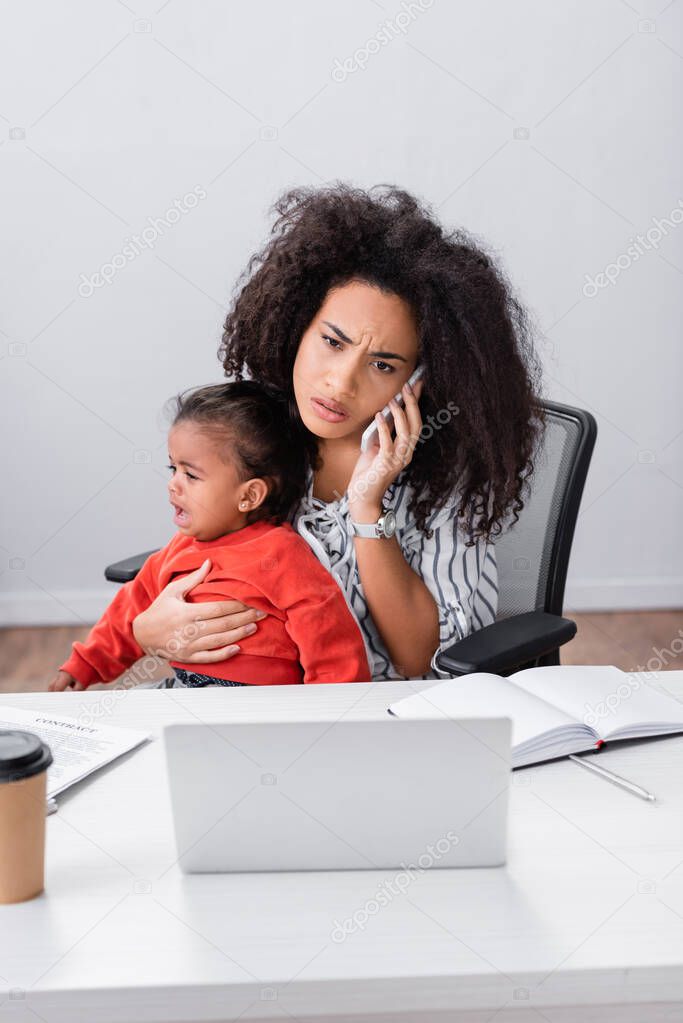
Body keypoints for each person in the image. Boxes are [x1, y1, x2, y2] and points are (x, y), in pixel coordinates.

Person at [131, 184, 544, 682]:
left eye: (383, 365)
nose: (341, 382)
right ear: (295, 325)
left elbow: (423, 662)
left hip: (366, 720)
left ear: (421, 381)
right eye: (332, 342)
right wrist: (145, 630)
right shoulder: (256, 437)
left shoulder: (444, 480)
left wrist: (368, 507)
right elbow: (195, 563)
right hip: (222, 698)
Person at [47, 381, 372, 691]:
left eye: (191, 474)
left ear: (249, 496)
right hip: (186, 687)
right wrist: (85, 664)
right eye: (173, 469)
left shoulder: (281, 553)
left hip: (264, 701)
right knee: (136, 707)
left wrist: (329, 710)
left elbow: (329, 636)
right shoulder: (178, 550)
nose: (173, 484)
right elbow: (130, 609)